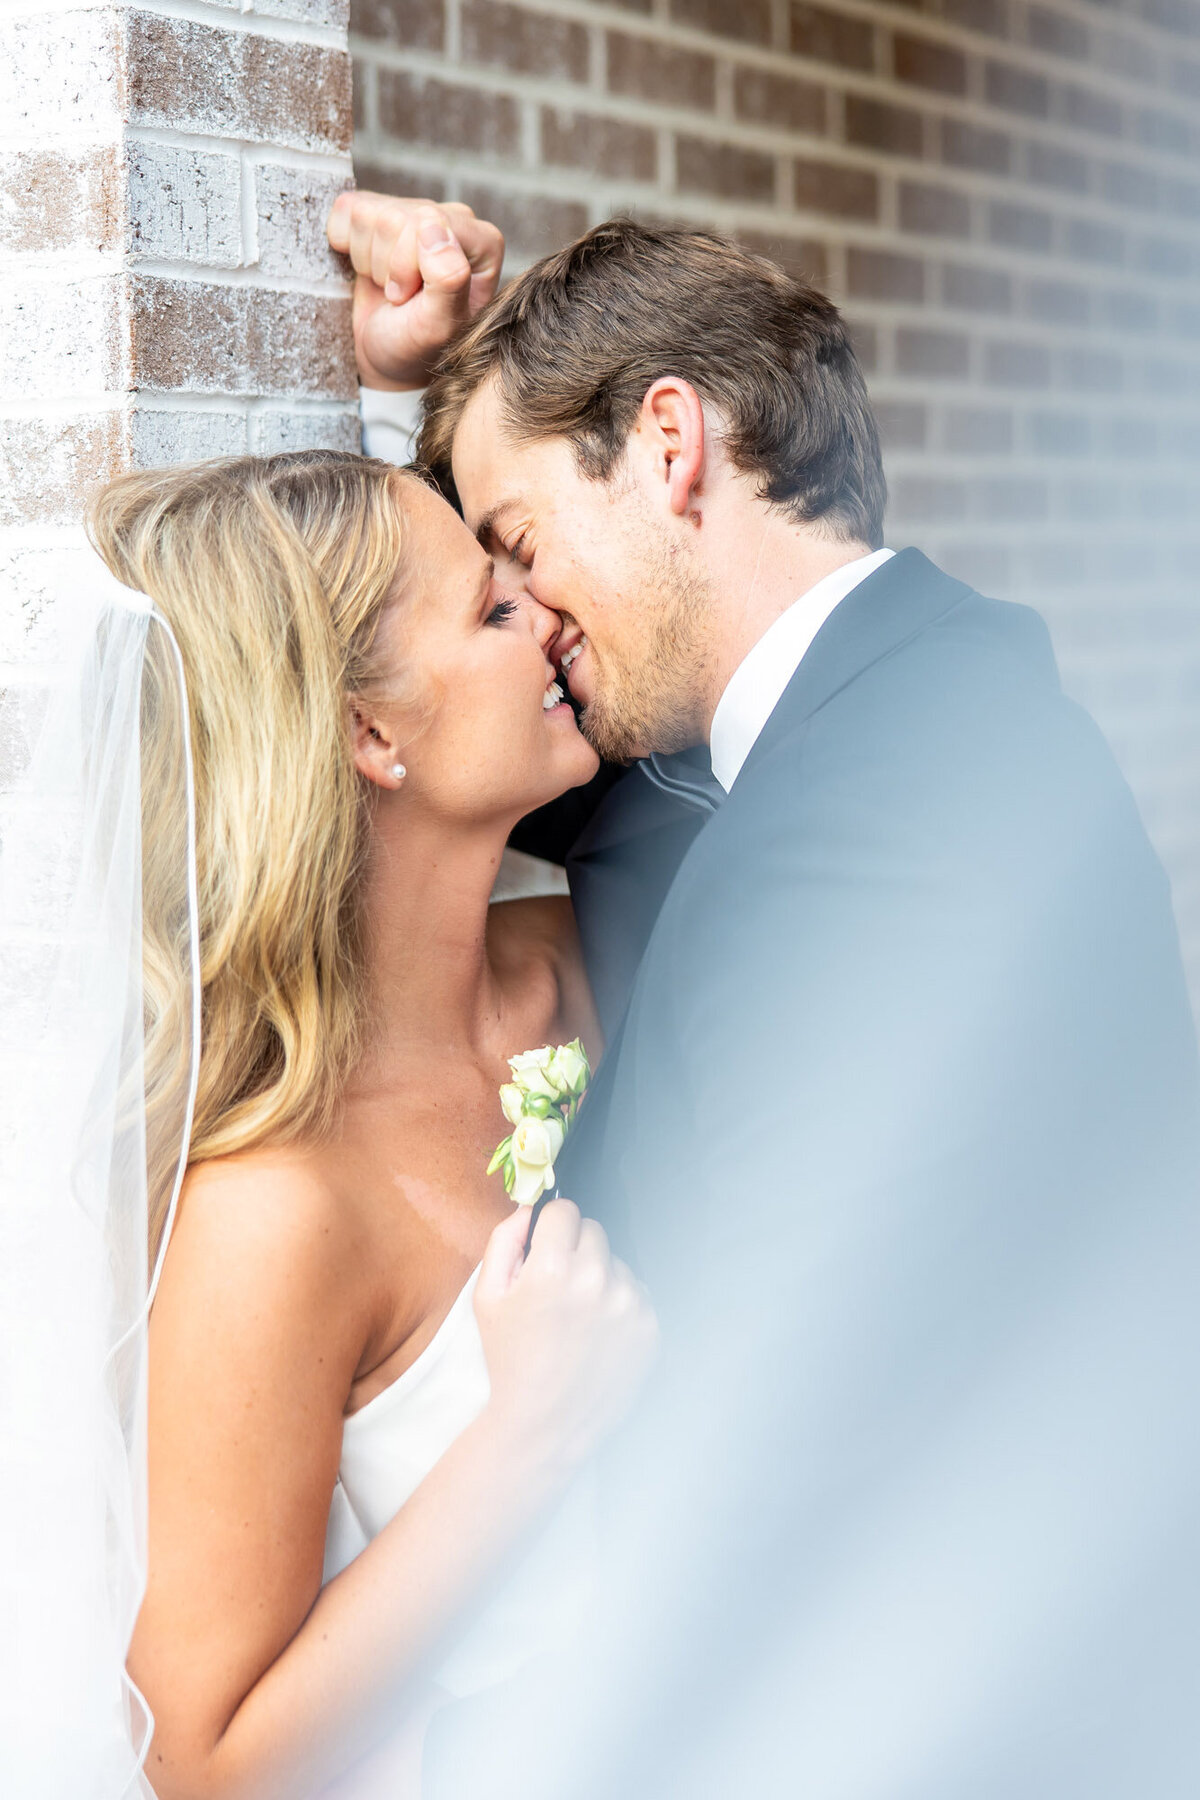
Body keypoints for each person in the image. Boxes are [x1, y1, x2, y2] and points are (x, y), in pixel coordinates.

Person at [330, 192, 1200, 1798]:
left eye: (518, 548)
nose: (528, 621)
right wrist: (404, 390)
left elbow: (788, 1440)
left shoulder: (892, 810)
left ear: (671, 445)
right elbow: (457, 722)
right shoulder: (812, 742)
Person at [82, 450, 656, 1799]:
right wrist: (535, 1432)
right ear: (370, 734)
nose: (548, 610)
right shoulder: (277, 1205)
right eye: (494, 610)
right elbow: (202, 1760)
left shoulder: (600, 952)